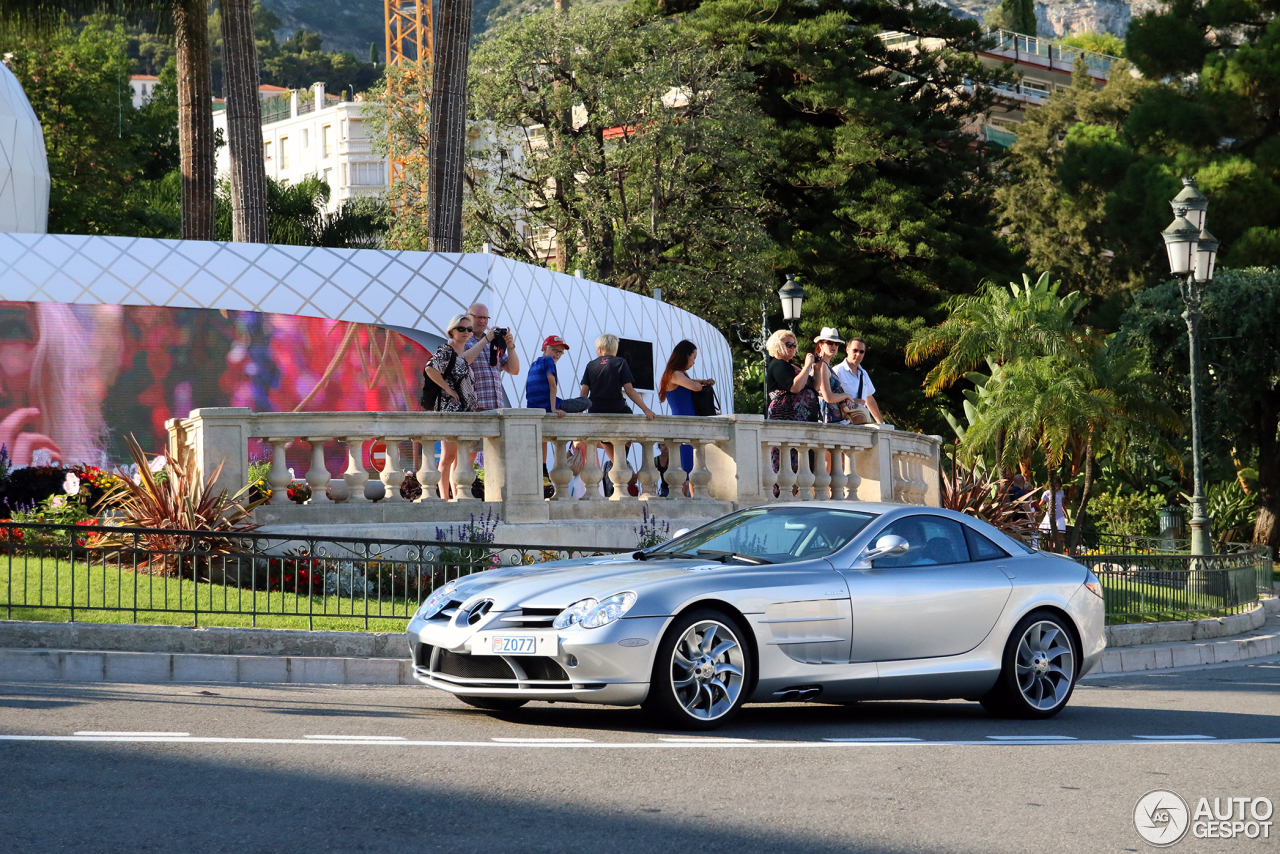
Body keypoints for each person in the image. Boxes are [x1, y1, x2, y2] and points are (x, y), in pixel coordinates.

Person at [579, 333, 656, 496]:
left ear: (599, 349)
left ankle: (617, 465)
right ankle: (621, 465)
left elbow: (584, 393)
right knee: (627, 435)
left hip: (596, 410)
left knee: (606, 439)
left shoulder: (590, 365)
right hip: (617, 409)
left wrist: (578, 412)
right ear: (615, 349)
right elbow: (629, 390)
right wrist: (646, 409)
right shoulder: (620, 362)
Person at [422, 314, 488, 499]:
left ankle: (457, 493)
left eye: (468, 329)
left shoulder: (460, 354)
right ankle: (443, 496)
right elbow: (430, 368)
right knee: (449, 455)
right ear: (452, 331)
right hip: (450, 410)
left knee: (460, 456)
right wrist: (448, 389)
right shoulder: (447, 350)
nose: (466, 332)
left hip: (463, 411)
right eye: (461, 329)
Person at [658, 339, 715, 497]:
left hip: (688, 424)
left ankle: (692, 499)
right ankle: (687, 500)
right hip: (684, 426)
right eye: (694, 357)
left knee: (692, 469)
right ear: (685, 356)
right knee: (687, 469)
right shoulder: (675, 374)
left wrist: (700, 381)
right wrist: (702, 383)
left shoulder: (677, 374)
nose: (694, 362)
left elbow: (692, 383)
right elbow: (695, 387)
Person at [764, 329, 819, 422]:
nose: (792, 348)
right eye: (789, 345)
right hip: (786, 417)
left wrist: (817, 368)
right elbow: (795, 388)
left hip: (804, 417)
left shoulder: (793, 366)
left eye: (794, 345)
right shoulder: (778, 365)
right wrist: (806, 366)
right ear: (777, 345)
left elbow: (815, 386)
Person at [832, 336, 884, 424]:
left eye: (861, 352)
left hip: (860, 421)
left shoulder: (864, 374)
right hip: (844, 422)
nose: (858, 354)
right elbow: (829, 397)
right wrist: (851, 401)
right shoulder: (837, 371)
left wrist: (881, 424)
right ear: (847, 350)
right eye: (855, 350)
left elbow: (869, 399)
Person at [811, 328, 855, 424]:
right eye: (829, 343)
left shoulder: (825, 365)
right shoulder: (822, 366)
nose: (834, 346)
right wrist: (846, 396)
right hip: (826, 417)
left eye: (837, 344)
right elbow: (828, 397)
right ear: (820, 345)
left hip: (831, 416)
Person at [1036, 476, 1068, 551]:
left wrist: (1067, 515)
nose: (1057, 488)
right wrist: (1036, 511)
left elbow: (1062, 504)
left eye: (1058, 485)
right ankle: (1051, 551)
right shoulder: (1046, 493)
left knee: (1061, 534)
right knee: (1051, 535)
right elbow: (1040, 504)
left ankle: (1060, 550)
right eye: (1055, 485)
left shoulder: (1061, 492)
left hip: (1060, 516)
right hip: (1050, 516)